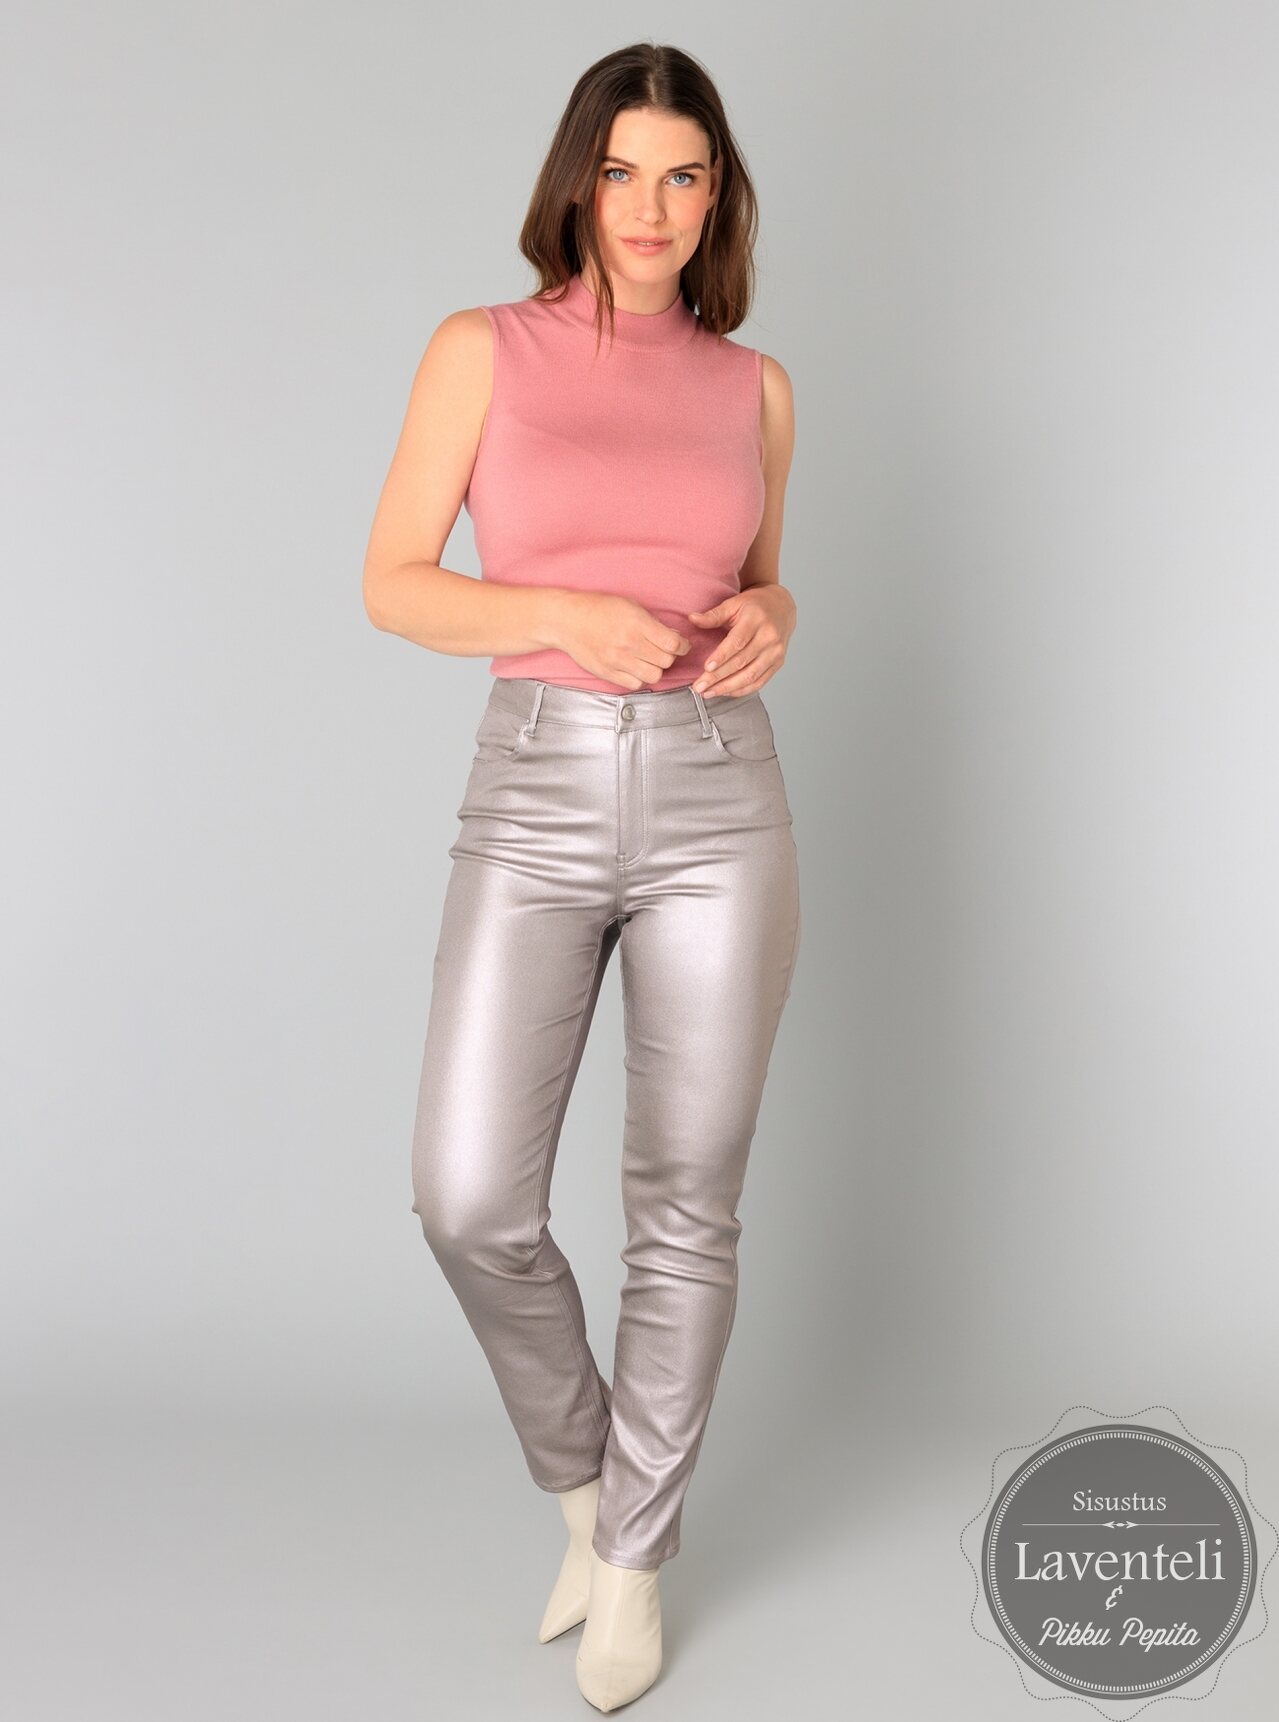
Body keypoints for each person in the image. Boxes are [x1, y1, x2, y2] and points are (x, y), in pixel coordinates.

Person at [363, 41, 800, 1713]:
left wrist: (778, 613)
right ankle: (589, 1489)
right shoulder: (482, 349)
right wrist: (558, 611)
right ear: (577, 181)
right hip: (537, 780)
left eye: (684, 175)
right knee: (468, 1194)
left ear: (718, 196)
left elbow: (757, 584)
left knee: (686, 1203)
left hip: (720, 796)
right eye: (623, 172)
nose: (651, 207)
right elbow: (396, 581)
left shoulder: (757, 387)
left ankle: (633, 1560)